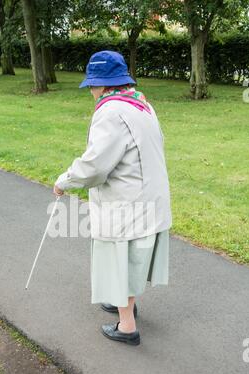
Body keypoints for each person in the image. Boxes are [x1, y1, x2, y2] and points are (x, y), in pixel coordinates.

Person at [54, 50, 172, 346]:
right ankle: (124, 303)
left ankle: (127, 326)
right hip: (148, 197)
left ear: (103, 85)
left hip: (127, 202)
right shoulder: (141, 103)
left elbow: (95, 166)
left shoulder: (110, 112)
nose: (90, 91)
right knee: (130, 259)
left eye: (92, 84)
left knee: (122, 258)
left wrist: (64, 181)